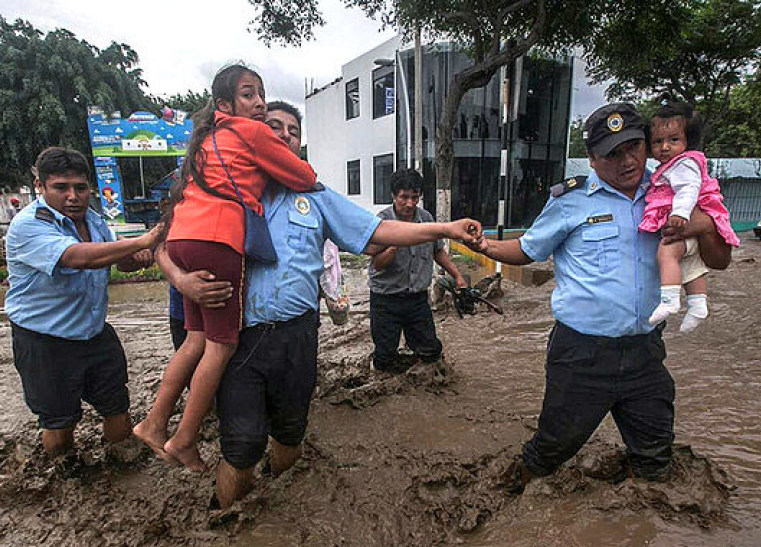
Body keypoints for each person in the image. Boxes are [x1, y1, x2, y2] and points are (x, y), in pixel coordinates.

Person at [159, 100, 482, 508]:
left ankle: (286, 511)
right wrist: (181, 280)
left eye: (292, 130)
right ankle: (228, 524)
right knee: (241, 445)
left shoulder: (315, 195)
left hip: (297, 336)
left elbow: (376, 231)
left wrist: (444, 227)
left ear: (299, 144)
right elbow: (165, 241)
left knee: (291, 432)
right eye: (271, 126)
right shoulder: (217, 184)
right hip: (237, 339)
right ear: (251, 134)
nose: (283, 135)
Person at [465, 102, 731, 485]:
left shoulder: (672, 190)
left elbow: (719, 260)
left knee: (656, 454)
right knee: (552, 449)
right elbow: (528, 249)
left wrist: (702, 223)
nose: (627, 161)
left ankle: (644, 533)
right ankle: (507, 490)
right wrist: (486, 248)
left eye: (634, 147)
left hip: (645, 351)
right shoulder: (569, 200)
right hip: (581, 355)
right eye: (612, 154)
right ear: (591, 159)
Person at [133, 65, 317, 472]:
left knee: (195, 340)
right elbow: (302, 175)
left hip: (183, 239)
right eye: (249, 95)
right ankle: (183, 440)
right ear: (225, 105)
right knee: (222, 345)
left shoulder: (205, 143)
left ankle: (153, 421)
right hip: (218, 241)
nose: (259, 103)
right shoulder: (252, 133)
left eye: (260, 94)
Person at [4, 147, 160, 456]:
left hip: (94, 334)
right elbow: (75, 258)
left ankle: (122, 467)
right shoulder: (29, 225)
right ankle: (66, 478)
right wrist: (142, 241)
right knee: (59, 425)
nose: (73, 196)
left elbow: (114, 259)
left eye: (80, 187)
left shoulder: (93, 219)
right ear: (41, 187)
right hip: (45, 342)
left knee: (118, 409)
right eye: (61, 188)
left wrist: (139, 257)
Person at [640, 102, 740, 332]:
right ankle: (697, 304)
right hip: (686, 226)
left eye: (673, 140)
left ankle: (670, 300)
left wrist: (681, 215)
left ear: (687, 141)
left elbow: (688, 189)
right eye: (657, 142)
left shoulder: (683, 164)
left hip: (680, 222)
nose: (664, 147)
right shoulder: (667, 168)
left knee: (667, 253)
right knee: (692, 266)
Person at [367, 168, 467, 371]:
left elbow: (437, 251)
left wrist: (457, 276)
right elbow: (376, 264)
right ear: (394, 196)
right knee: (384, 358)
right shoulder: (381, 223)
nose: (410, 203)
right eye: (404, 197)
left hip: (417, 299)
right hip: (386, 299)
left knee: (430, 351)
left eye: (415, 197)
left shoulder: (426, 219)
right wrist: (393, 244)